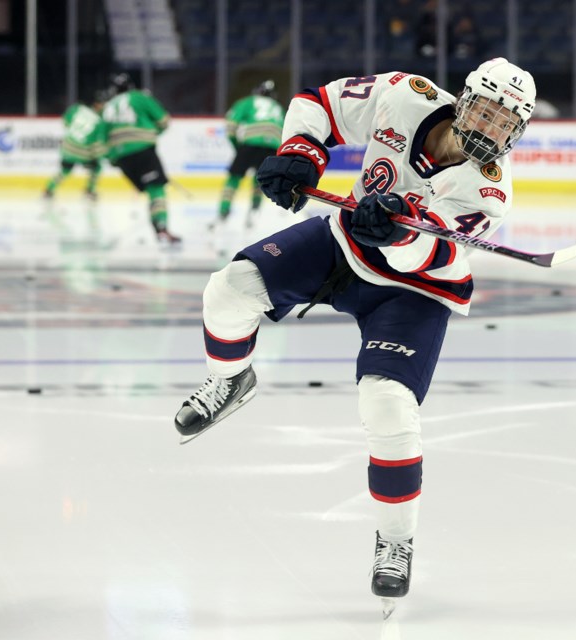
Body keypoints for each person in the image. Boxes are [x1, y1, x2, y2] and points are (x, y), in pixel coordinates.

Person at [173, 59, 535, 606]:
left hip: (415, 290)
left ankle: (396, 541)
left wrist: (395, 231)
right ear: (464, 99)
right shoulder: (404, 94)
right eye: (485, 111)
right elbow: (318, 103)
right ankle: (229, 381)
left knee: (387, 406)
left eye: (506, 123)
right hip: (343, 244)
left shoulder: (489, 191)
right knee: (229, 290)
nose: (491, 130)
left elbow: (432, 253)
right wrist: (301, 153)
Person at [101, 72, 180, 244]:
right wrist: (152, 132)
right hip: (143, 150)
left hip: (121, 158)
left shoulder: (108, 106)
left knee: (148, 190)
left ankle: (158, 228)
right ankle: (162, 229)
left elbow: (102, 139)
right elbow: (164, 120)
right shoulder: (140, 97)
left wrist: (114, 157)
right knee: (156, 190)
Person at [216, 80, 285, 229]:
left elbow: (231, 125)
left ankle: (223, 211)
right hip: (272, 147)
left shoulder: (248, 101)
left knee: (234, 178)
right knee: (261, 181)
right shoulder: (278, 107)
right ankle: (254, 213)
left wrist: (237, 145)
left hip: (250, 145)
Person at [44, 90, 108, 200]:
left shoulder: (78, 108)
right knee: (97, 167)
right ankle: (90, 191)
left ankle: (49, 189)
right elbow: (97, 144)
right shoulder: (100, 122)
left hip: (66, 147)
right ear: (98, 104)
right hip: (83, 152)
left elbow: (66, 121)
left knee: (65, 170)